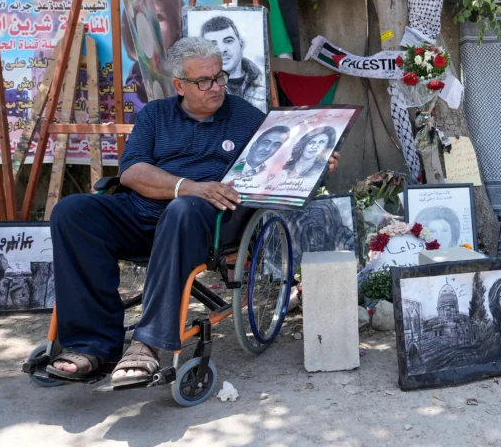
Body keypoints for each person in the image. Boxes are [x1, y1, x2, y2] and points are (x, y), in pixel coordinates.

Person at [44, 37, 339, 385]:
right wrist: (188, 185)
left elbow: (281, 160)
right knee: (71, 211)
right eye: (204, 81)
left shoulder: (246, 118)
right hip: (144, 213)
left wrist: (316, 162)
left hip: (207, 223)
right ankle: (91, 345)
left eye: (219, 77)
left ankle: (148, 344)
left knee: (182, 210)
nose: (215, 87)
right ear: (180, 85)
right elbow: (132, 171)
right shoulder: (155, 115)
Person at [200, 15, 267, 110]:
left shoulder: (263, 81)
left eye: (228, 41)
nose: (222, 49)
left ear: (241, 44)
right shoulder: (198, 88)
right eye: (213, 44)